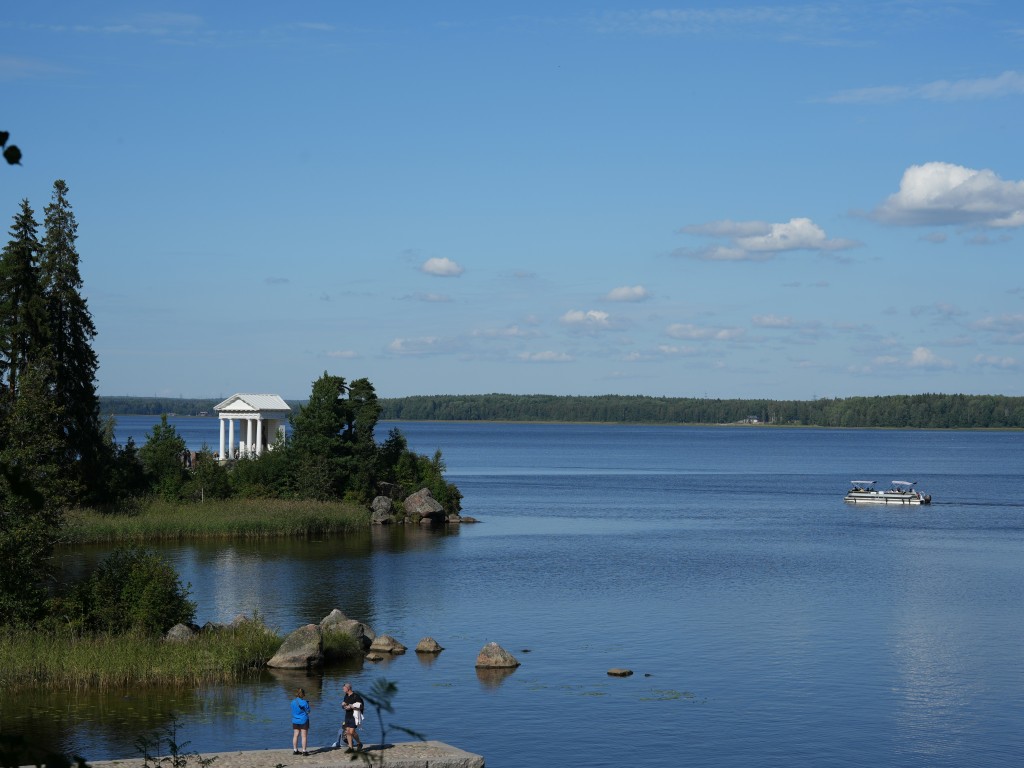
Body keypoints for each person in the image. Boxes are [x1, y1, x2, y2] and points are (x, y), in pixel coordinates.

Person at [337, 682, 364, 751]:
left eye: (344, 688)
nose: (343, 690)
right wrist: (343, 706)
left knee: (351, 732)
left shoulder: (356, 696)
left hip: (354, 715)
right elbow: (345, 706)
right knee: (348, 731)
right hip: (347, 715)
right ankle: (350, 747)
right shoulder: (346, 696)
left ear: (348, 688)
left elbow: (360, 706)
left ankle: (359, 743)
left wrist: (351, 706)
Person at [290, 687, 311, 756]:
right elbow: (308, 711)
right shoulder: (304, 702)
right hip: (303, 720)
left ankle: (295, 750)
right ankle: (304, 751)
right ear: (303, 694)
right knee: (304, 736)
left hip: (295, 720)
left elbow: (293, 710)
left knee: (295, 735)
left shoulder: (292, 702)